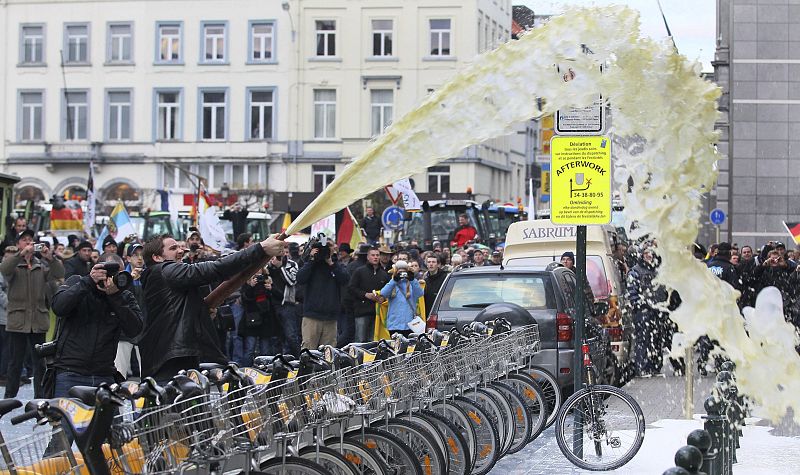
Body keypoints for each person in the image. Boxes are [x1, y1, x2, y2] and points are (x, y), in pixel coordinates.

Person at [138, 234, 285, 383]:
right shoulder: (164, 270)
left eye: (180, 246)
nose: (181, 251)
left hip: (177, 355)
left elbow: (176, 311)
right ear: (157, 257)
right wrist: (261, 248)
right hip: (169, 359)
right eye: (173, 248)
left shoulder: (164, 276)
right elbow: (216, 268)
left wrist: (201, 312)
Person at [51, 253, 142, 394]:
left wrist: (115, 297)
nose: (111, 279)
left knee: (109, 417)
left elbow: (134, 329)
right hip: (70, 372)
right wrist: (89, 281)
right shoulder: (78, 282)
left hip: (104, 374)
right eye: (107, 273)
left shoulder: (124, 296)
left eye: (116, 274)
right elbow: (59, 306)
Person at [1, 230, 64, 398]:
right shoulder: (14, 264)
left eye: (31, 240)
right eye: (24, 240)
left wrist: (50, 257)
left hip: (37, 320)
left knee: (40, 363)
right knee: (15, 362)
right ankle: (9, 397)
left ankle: (41, 397)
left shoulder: (41, 266)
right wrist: (20, 254)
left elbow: (59, 273)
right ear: (18, 244)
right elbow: (4, 269)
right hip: (18, 320)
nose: (28, 243)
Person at [296, 240, 349, 349]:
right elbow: (300, 278)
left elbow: (345, 279)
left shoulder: (335, 264)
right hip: (312, 316)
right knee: (308, 350)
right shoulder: (311, 264)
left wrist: (331, 263)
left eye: (329, 247)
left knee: (328, 353)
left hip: (331, 317)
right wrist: (311, 260)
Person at [626, 248, 668, 378]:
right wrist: (640, 304)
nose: (649, 256)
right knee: (643, 339)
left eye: (651, 253)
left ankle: (655, 366)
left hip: (658, 310)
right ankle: (642, 368)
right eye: (646, 253)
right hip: (643, 311)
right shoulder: (636, 271)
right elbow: (632, 291)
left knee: (656, 339)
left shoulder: (657, 270)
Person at [349, 247, 390, 342]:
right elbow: (351, 288)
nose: (375, 257)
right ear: (367, 257)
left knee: (374, 340)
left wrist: (383, 298)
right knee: (360, 339)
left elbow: (388, 290)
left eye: (377, 255)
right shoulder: (359, 271)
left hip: (377, 313)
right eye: (373, 255)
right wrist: (365, 294)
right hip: (362, 311)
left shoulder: (384, 274)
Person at [238, 271, 281, 364]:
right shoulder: (248, 283)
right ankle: (246, 369)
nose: (257, 274)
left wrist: (271, 288)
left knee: (265, 351)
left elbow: (279, 296)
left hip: (265, 320)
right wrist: (251, 286)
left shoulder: (267, 281)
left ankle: (265, 369)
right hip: (252, 319)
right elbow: (245, 299)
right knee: (250, 349)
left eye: (259, 271)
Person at [267, 251, 301, 356]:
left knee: (291, 336)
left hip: (287, 304)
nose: (272, 260)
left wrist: (281, 267)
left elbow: (292, 281)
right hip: (273, 304)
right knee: (276, 337)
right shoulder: (269, 266)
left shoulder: (291, 264)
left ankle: (299, 358)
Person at [380, 261, 424, 337]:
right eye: (399, 272)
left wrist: (412, 279)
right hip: (395, 325)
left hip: (410, 324)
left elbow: (420, 293)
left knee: (410, 347)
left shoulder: (411, 284)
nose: (402, 275)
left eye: (404, 272)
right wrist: (394, 280)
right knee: (396, 347)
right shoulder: (393, 284)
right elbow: (383, 293)